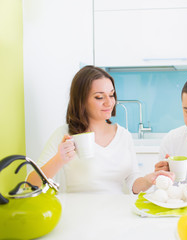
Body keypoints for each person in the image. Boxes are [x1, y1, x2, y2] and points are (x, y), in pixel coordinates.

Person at [27, 65, 173, 194]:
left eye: (111, 95)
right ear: (81, 101)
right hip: (80, 215)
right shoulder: (65, 135)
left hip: (116, 214)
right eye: (99, 97)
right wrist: (59, 159)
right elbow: (31, 184)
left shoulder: (123, 135)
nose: (109, 102)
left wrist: (150, 179)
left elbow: (132, 184)